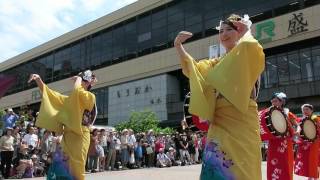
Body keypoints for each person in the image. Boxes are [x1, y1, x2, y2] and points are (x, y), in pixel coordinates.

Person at [174, 14, 264, 179]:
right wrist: (178, 46)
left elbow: (253, 51)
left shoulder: (247, 54)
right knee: (216, 166)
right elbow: (193, 69)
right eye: (221, 31)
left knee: (243, 168)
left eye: (229, 29)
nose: (224, 34)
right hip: (219, 120)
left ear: (240, 31)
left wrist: (246, 33)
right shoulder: (215, 63)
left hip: (242, 119)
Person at [27, 70, 97, 180]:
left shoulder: (90, 96)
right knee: (64, 163)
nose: (80, 82)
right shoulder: (68, 100)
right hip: (68, 135)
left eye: (83, 80)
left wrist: (78, 79)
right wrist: (39, 80)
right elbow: (50, 95)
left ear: (88, 83)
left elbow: (78, 92)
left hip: (81, 134)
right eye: (80, 80)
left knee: (77, 163)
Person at [265, 92, 298, 180]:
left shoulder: (287, 113)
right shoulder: (268, 112)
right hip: (273, 141)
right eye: (272, 101)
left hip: (285, 142)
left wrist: (297, 131)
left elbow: (297, 125)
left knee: (285, 163)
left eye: (276, 101)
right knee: (273, 163)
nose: (273, 103)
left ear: (282, 102)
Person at [294, 104, 320, 179]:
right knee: (305, 161)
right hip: (304, 143)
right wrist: (298, 132)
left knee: (313, 160)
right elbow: (299, 127)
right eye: (303, 110)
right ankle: (310, 177)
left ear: (311, 110)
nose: (305, 111)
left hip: (314, 142)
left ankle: (314, 177)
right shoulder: (301, 119)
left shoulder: (315, 118)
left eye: (307, 109)